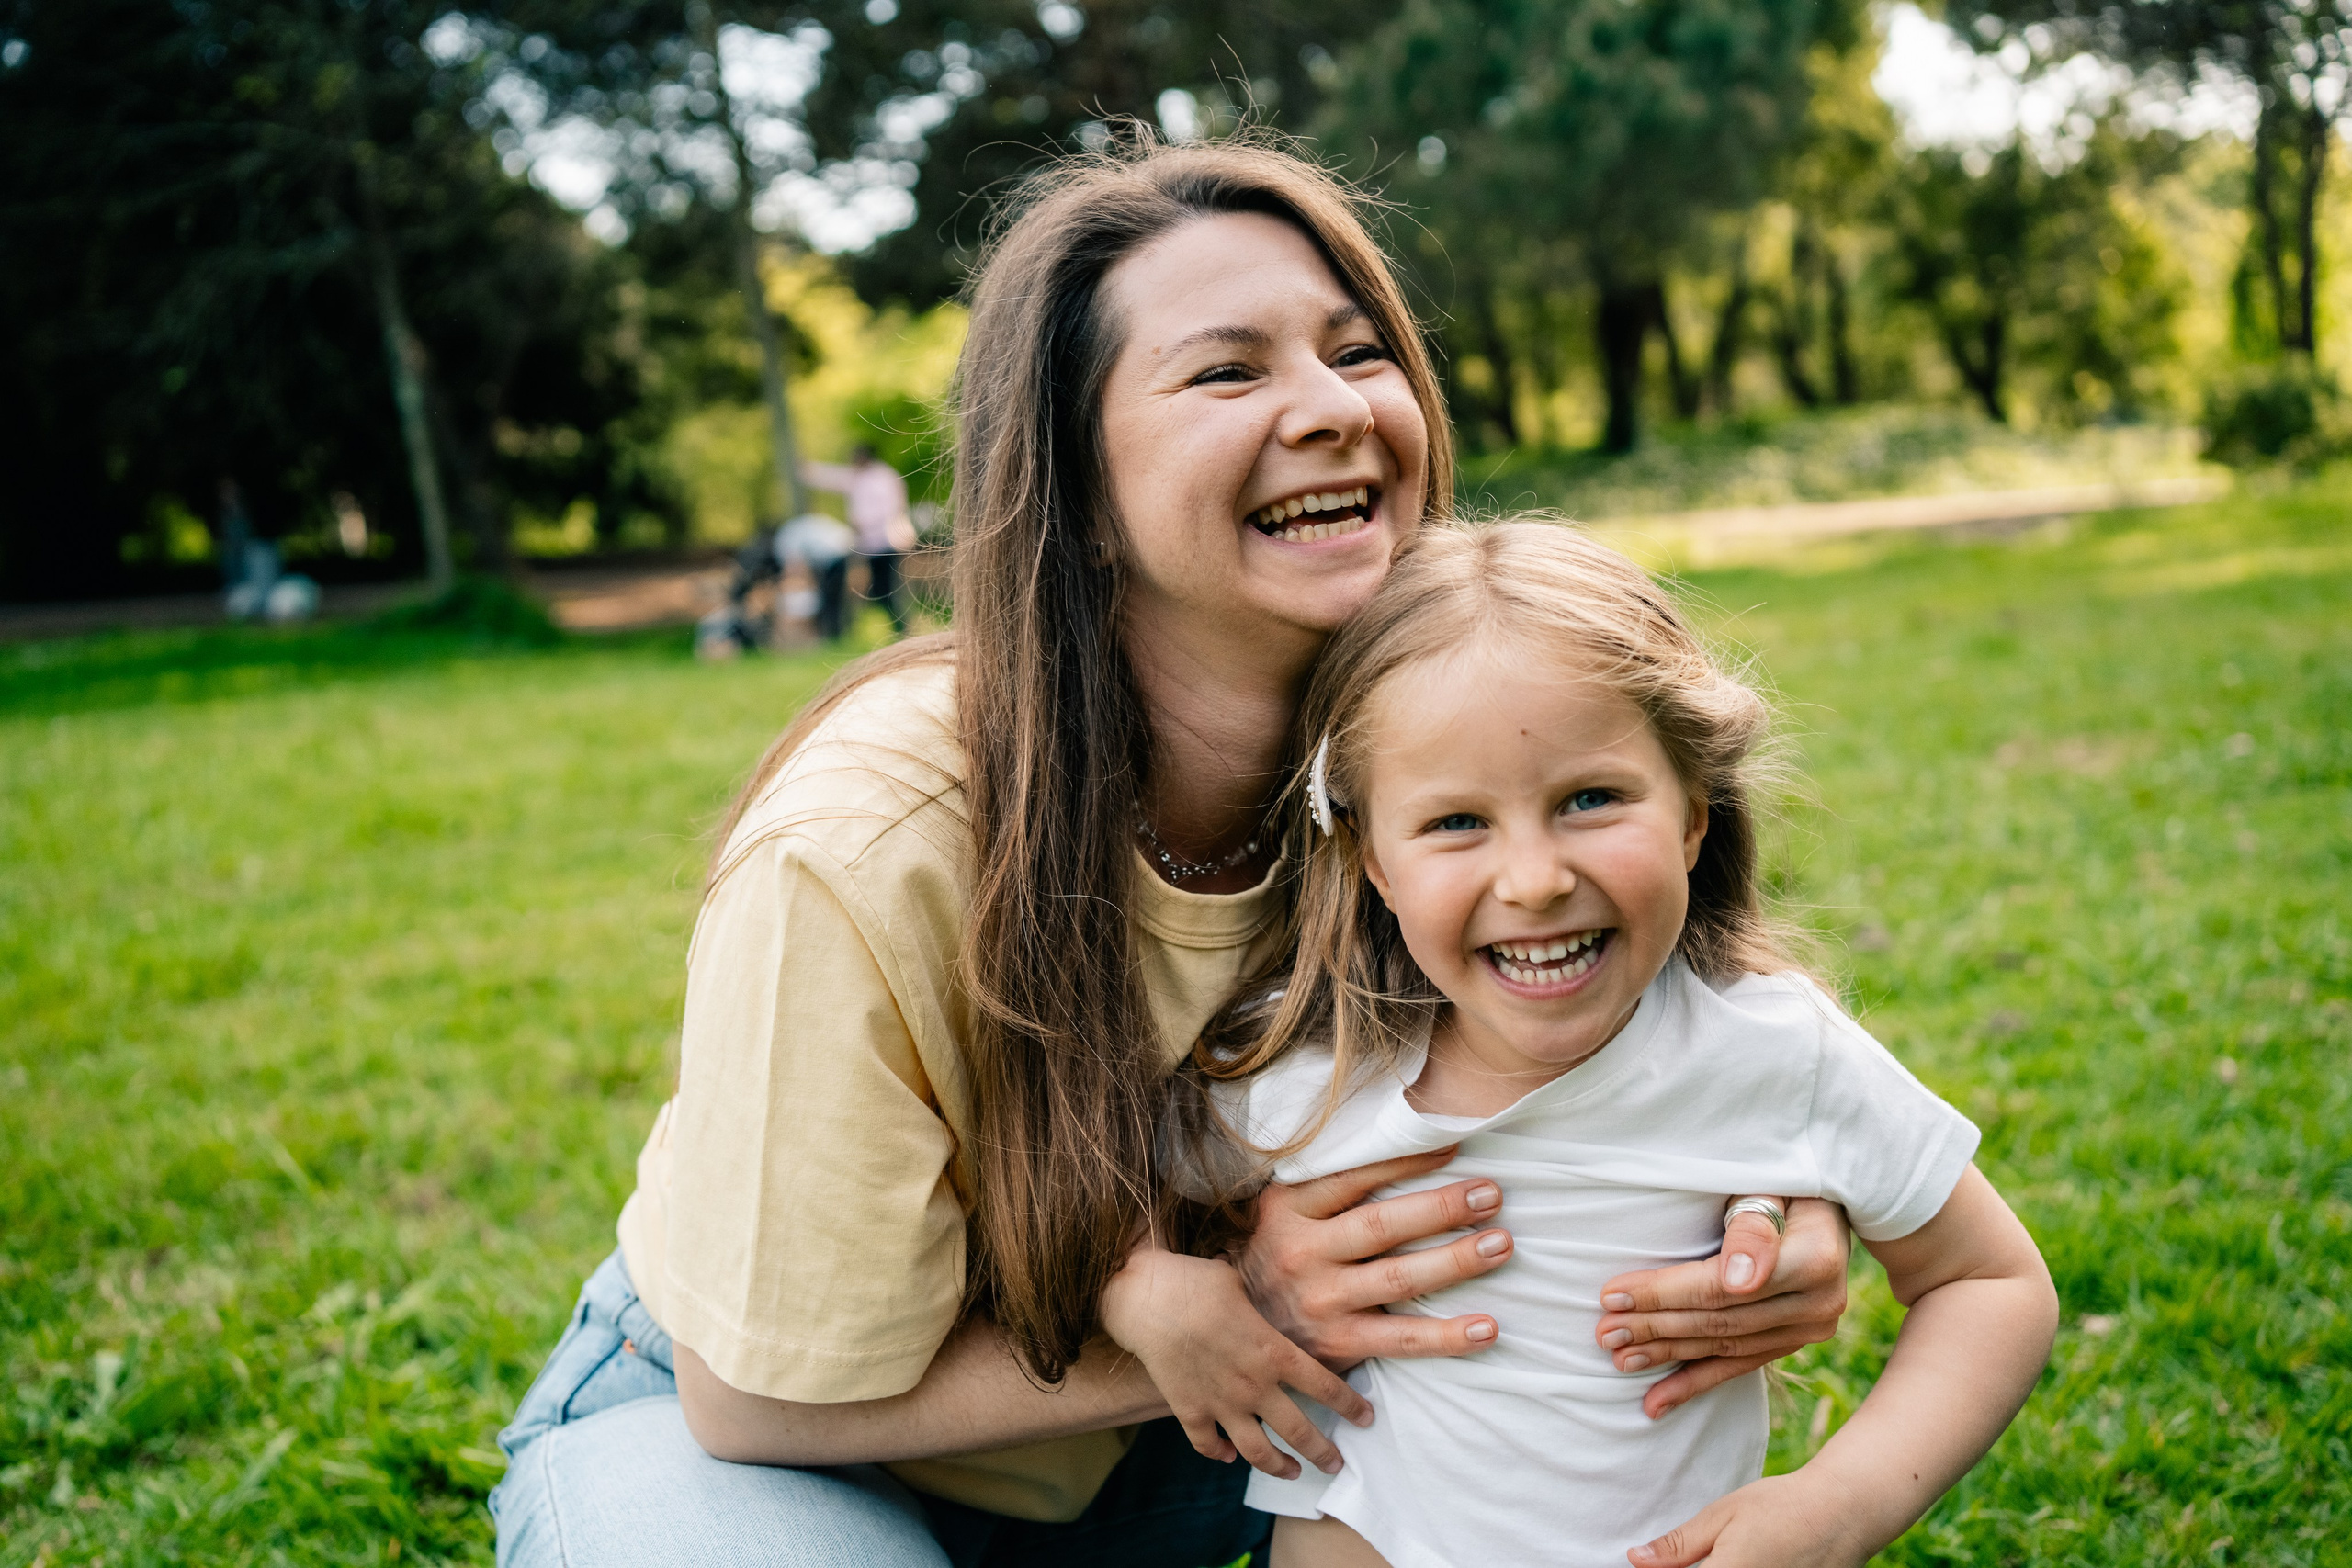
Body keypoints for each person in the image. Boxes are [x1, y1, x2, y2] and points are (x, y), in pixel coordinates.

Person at [489, 139, 1857, 1568]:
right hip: (758, 1435)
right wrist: (1247, 1309)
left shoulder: (1439, 763)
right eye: (1227, 371)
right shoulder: (865, 841)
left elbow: (1651, 1006)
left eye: (1357, 352)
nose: (1333, 407)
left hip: (1173, 1449)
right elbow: (747, 1394)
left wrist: (1775, 1193)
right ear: (1080, 492)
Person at [1155, 522, 2057, 1568]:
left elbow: (1990, 1285)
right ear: (1375, 862)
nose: (1535, 880)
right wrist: (1148, 1289)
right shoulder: (1299, 1073)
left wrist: (1836, 1509)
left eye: (1590, 799)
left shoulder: (1769, 1052)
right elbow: (1099, 1214)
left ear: (1694, 815)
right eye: (1456, 822)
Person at [802, 444, 917, 636]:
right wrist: (809, 470)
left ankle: (903, 626)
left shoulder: (884, 478)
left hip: (888, 542)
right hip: (870, 546)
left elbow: (891, 509)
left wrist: (863, 523)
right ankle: (899, 626)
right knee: (879, 589)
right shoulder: (857, 478)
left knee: (889, 587)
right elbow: (833, 477)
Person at [775, 511, 856, 641]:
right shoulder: (791, 539)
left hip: (835, 558)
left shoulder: (788, 542)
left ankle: (833, 632)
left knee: (831, 601)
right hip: (835, 555)